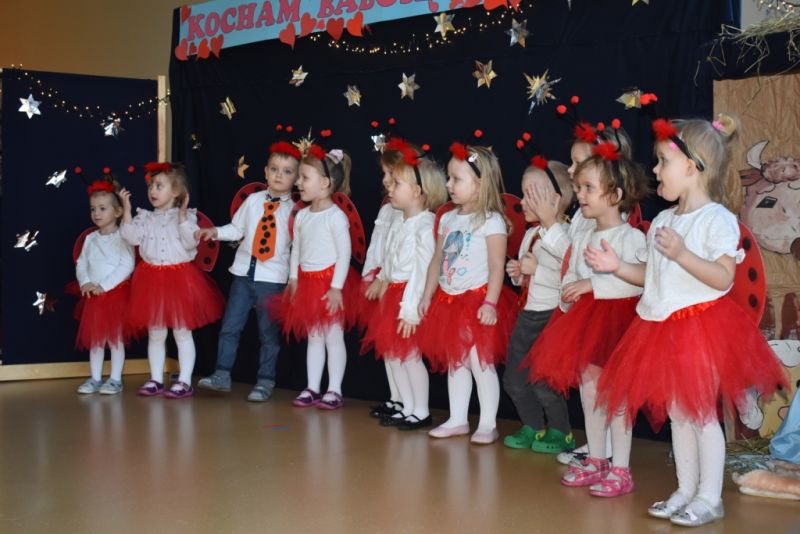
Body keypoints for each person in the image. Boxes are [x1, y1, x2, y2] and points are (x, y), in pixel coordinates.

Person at [120, 162, 225, 398]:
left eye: (159, 186)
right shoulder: (145, 218)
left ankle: (185, 381)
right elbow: (131, 238)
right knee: (156, 332)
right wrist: (126, 211)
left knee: (181, 331)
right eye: (151, 186)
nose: (153, 191)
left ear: (176, 191)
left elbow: (191, 242)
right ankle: (156, 379)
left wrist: (182, 218)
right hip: (151, 279)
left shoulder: (186, 217)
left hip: (179, 279)